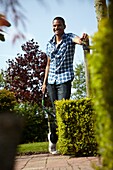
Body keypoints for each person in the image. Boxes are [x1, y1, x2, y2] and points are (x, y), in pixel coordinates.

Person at [42, 16, 89, 154]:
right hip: (51, 81)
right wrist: (44, 83)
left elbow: (78, 40)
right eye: (54, 26)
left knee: (63, 108)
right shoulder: (49, 44)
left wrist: (83, 39)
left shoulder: (69, 38)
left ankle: (64, 140)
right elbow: (48, 65)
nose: (56, 28)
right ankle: (53, 138)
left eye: (59, 25)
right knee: (55, 111)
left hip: (64, 78)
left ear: (64, 26)